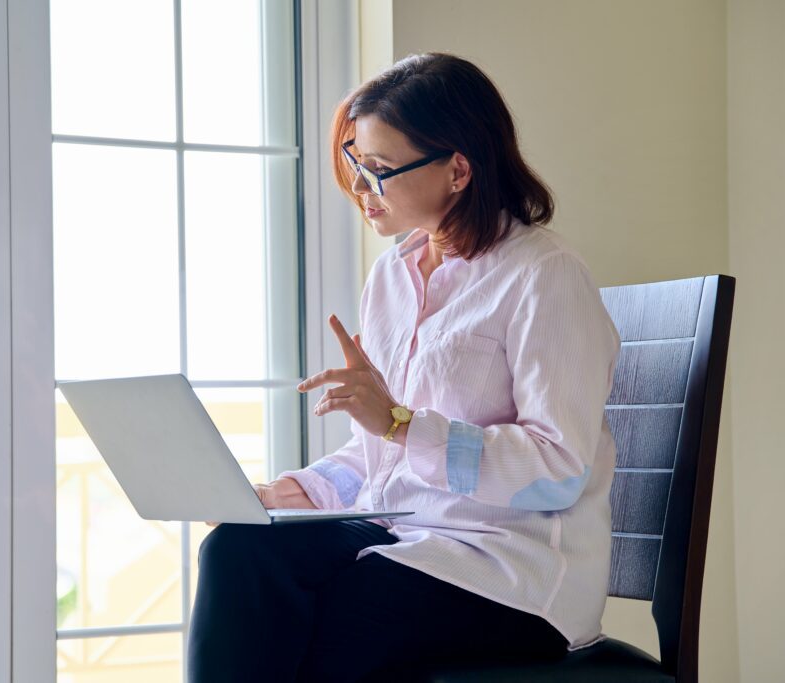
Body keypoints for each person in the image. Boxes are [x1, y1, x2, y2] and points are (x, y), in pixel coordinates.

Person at [187, 52, 621, 683]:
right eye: (356, 164)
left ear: (458, 169)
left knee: (335, 616)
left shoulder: (544, 277)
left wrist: (397, 424)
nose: (361, 189)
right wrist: (293, 494)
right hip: (402, 539)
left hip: (507, 570)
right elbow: (380, 459)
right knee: (240, 550)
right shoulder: (392, 275)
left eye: (380, 171)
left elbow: (556, 472)